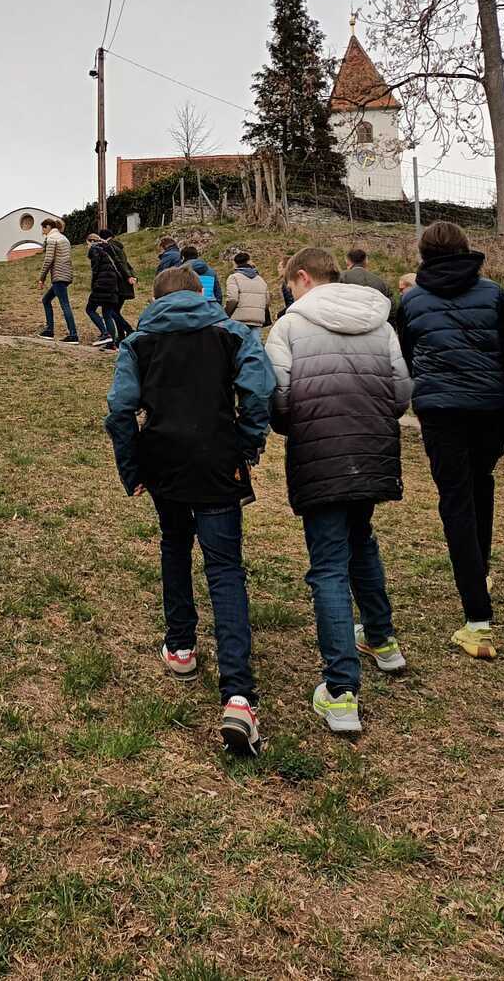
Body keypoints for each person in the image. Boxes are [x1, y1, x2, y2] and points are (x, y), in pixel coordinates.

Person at [105, 264, 275, 755]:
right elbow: (259, 391)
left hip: (164, 464)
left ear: (155, 298)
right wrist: (248, 443)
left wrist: (132, 467)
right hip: (218, 462)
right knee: (225, 569)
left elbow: (120, 410)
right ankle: (238, 695)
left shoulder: (139, 342)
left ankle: (181, 645)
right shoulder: (233, 333)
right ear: (201, 293)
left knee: (175, 545)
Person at [265, 247, 411, 735]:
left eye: (289, 284)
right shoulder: (380, 324)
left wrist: (299, 424)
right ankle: (381, 639)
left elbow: (278, 399)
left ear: (302, 277)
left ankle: (341, 690)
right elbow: (401, 392)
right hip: (371, 450)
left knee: (328, 564)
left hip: (319, 452)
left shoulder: (289, 327)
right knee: (360, 540)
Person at [397, 221, 504, 661]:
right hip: (491, 411)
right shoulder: (494, 295)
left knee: (457, 501)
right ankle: (481, 570)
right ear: (466, 250)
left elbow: (404, 358)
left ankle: (478, 619)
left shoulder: (412, 301)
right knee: (480, 483)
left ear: (423, 254)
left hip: (441, 413)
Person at [38, 218, 79, 343]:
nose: (42, 231)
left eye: (43, 228)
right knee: (46, 300)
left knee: (65, 304)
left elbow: (48, 259)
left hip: (58, 275)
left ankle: (73, 334)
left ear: (48, 227)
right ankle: (49, 330)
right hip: (66, 274)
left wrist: (41, 278)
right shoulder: (64, 238)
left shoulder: (52, 238)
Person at [85, 233, 123, 349]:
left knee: (90, 309)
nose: (87, 246)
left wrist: (94, 286)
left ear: (91, 241)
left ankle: (105, 333)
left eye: (87, 243)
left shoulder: (95, 250)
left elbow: (95, 270)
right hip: (112, 285)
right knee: (107, 314)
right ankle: (111, 343)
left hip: (102, 285)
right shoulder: (107, 249)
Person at [100, 228, 137, 339]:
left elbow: (118, 263)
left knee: (111, 311)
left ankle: (128, 330)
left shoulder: (109, 247)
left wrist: (128, 276)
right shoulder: (119, 247)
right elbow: (126, 264)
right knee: (115, 311)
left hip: (118, 283)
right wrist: (132, 276)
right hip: (124, 283)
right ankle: (121, 336)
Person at [224, 252, 270, 328]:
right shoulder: (261, 279)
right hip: (257, 320)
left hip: (239, 320)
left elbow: (233, 299)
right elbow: (267, 302)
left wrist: (226, 314)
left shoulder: (233, 278)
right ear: (248, 262)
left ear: (235, 264)